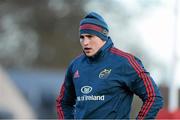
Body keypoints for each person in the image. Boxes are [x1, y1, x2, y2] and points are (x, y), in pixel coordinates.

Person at [56, 12, 163, 119]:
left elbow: (153, 97)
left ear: (102, 36)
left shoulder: (125, 62)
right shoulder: (75, 65)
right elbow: (63, 102)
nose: (85, 42)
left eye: (90, 36)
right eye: (82, 37)